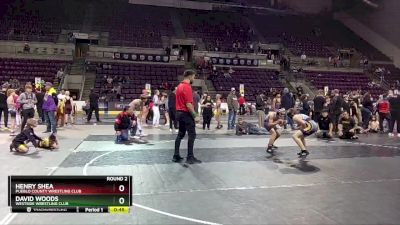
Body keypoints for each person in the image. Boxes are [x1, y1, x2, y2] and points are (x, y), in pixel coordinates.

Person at [173, 70, 201, 164]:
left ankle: (176, 155)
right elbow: (189, 104)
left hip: (178, 113)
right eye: (193, 77)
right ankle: (190, 157)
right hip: (186, 113)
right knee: (192, 135)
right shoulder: (187, 87)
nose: (194, 78)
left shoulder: (179, 86)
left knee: (180, 134)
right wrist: (195, 115)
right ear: (190, 76)